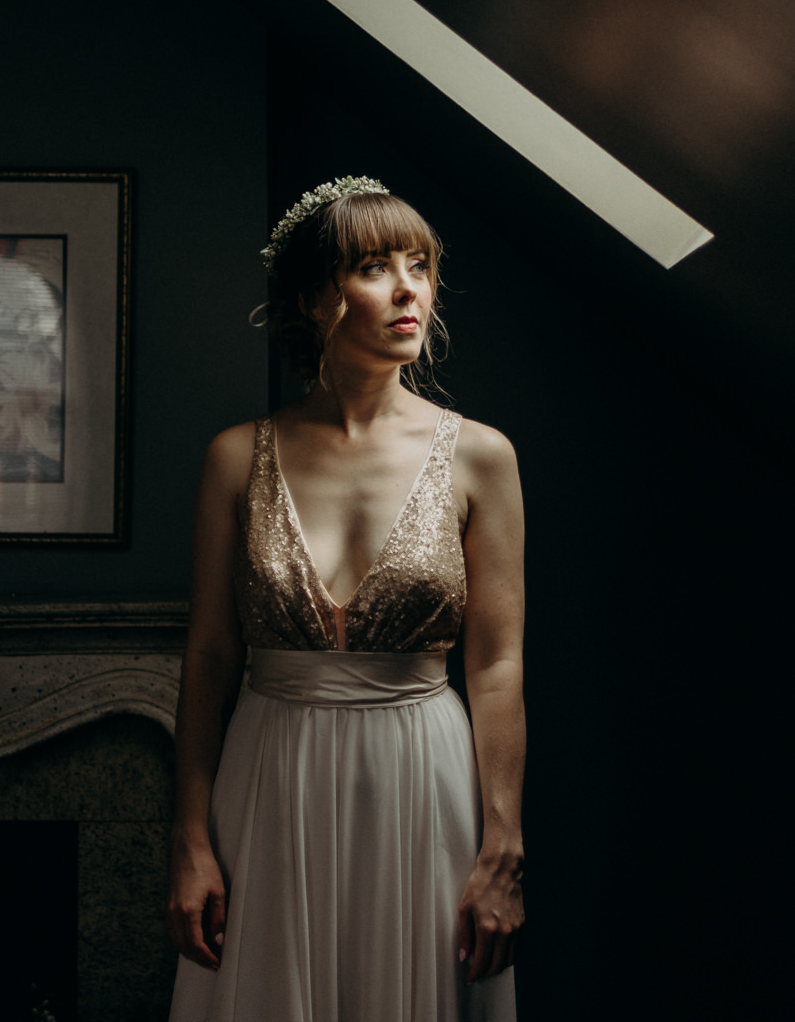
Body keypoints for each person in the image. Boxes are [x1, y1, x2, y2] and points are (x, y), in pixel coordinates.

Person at [165, 178, 525, 1020]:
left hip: (422, 779)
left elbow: (499, 664)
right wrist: (188, 838)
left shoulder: (481, 456)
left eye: (420, 264)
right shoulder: (235, 457)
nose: (409, 288)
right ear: (311, 297)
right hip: (269, 779)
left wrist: (503, 847)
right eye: (373, 265)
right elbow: (210, 655)